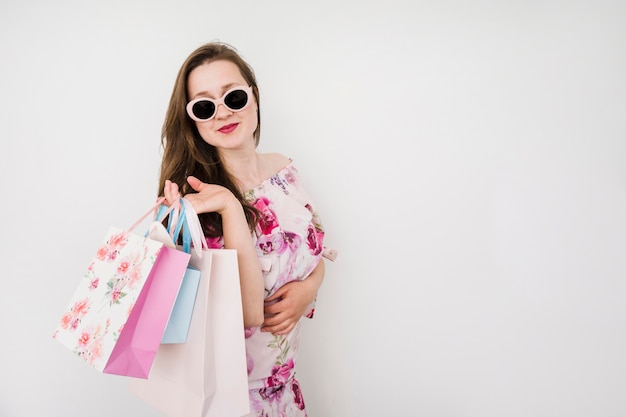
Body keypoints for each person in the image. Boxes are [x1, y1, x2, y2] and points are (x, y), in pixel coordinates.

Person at [158, 41, 336, 416]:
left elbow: (316, 249)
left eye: (233, 97)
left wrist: (309, 288)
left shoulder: (283, 168)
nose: (222, 113)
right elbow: (249, 313)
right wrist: (229, 207)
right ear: (194, 121)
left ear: (253, 97)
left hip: (286, 390)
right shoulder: (198, 204)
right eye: (205, 106)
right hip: (234, 401)